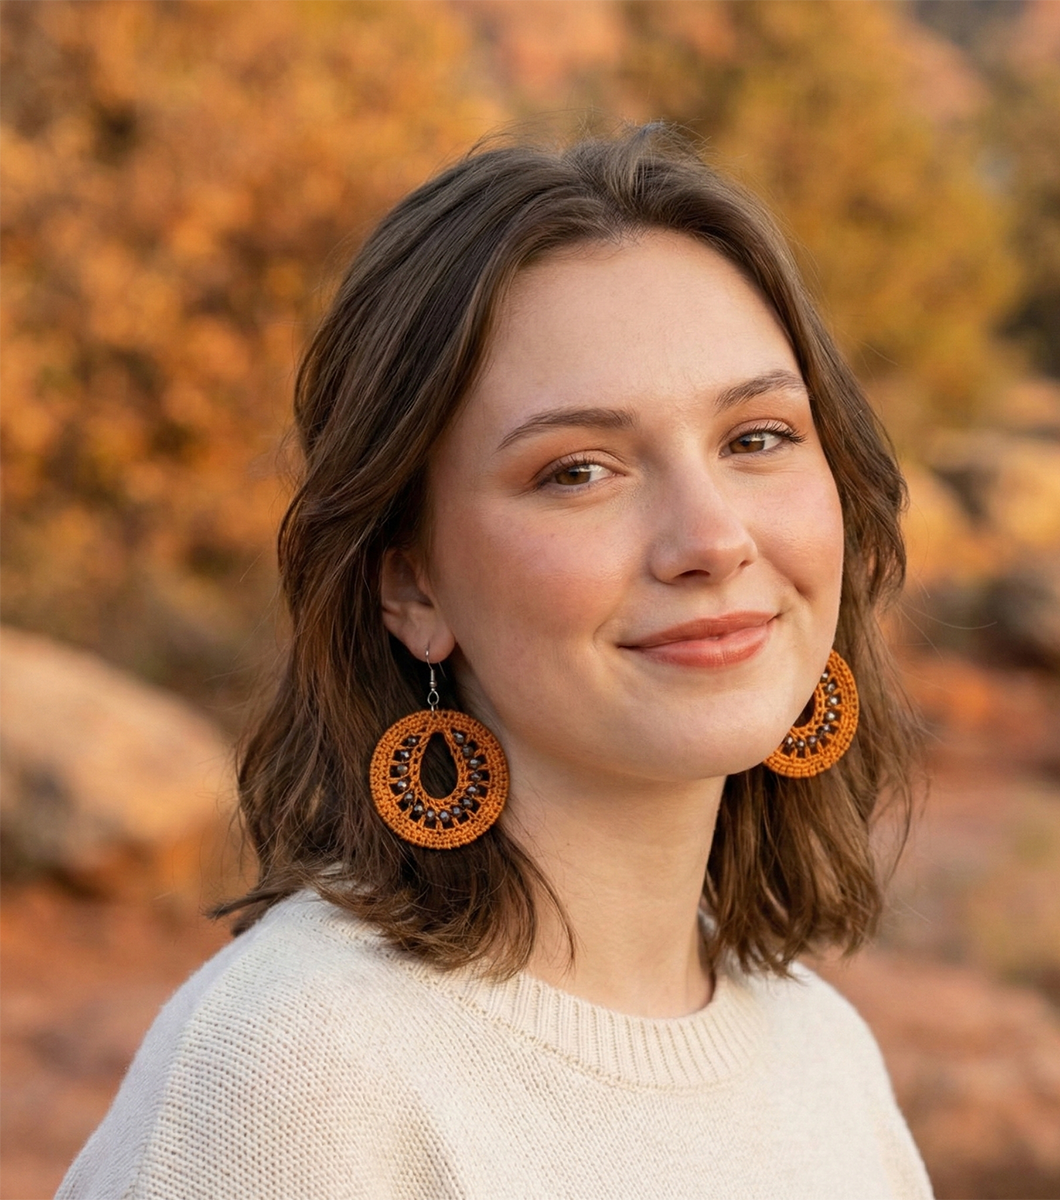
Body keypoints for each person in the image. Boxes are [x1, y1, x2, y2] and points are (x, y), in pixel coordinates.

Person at [58, 125, 931, 1199]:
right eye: (577, 471)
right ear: (413, 586)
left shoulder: (822, 1053)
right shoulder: (299, 1069)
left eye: (756, 437)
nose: (711, 540)